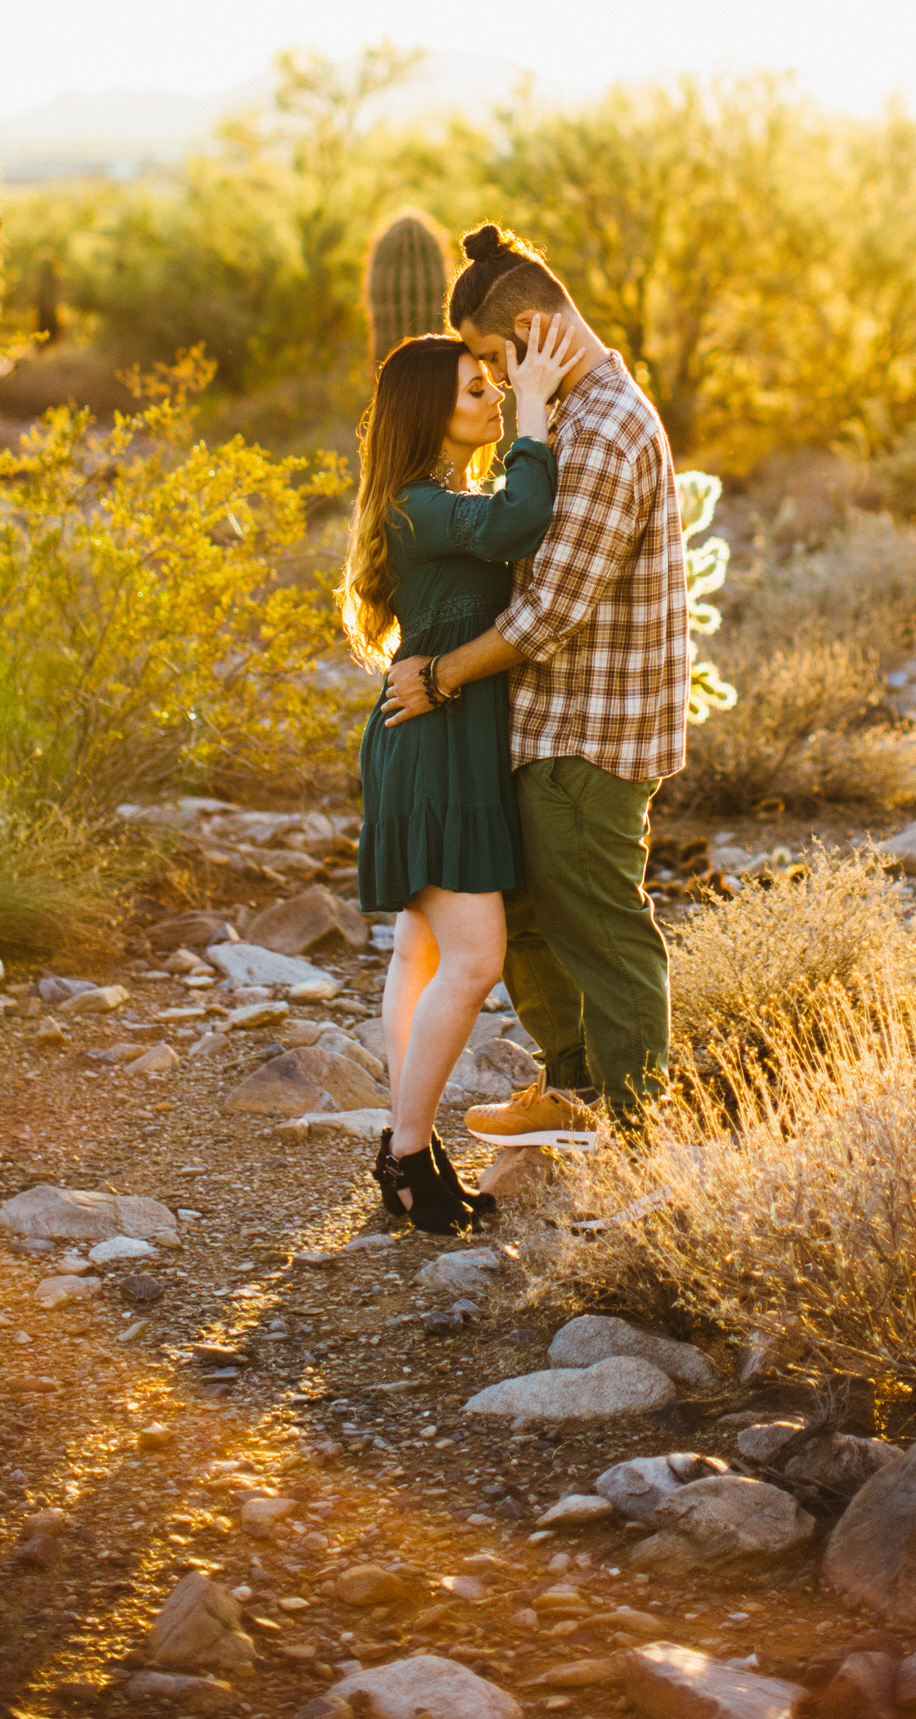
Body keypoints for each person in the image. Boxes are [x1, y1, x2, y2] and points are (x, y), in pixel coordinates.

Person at [383, 223, 690, 1148]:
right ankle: (576, 1089)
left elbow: (549, 611)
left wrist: (437, 676)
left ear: (527, 329)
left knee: (604, 928)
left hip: (591, 736)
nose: (485, 377)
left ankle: (636, 1130)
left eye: (487, 357)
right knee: (526, 919)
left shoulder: (601, 427)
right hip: (550, 726)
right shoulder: (571, 412)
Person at [342, 315, 579, 1233]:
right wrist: (531, 414)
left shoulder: (434, 497)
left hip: (443, 736)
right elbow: (523, 518)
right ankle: (404, 1154)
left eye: (492, 388)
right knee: (473, 955)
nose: (486, 399)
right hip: (433, 748)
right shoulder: (419, 504)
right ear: (425, 416)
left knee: (423, 950)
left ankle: (409, 1141)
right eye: (472, 392)